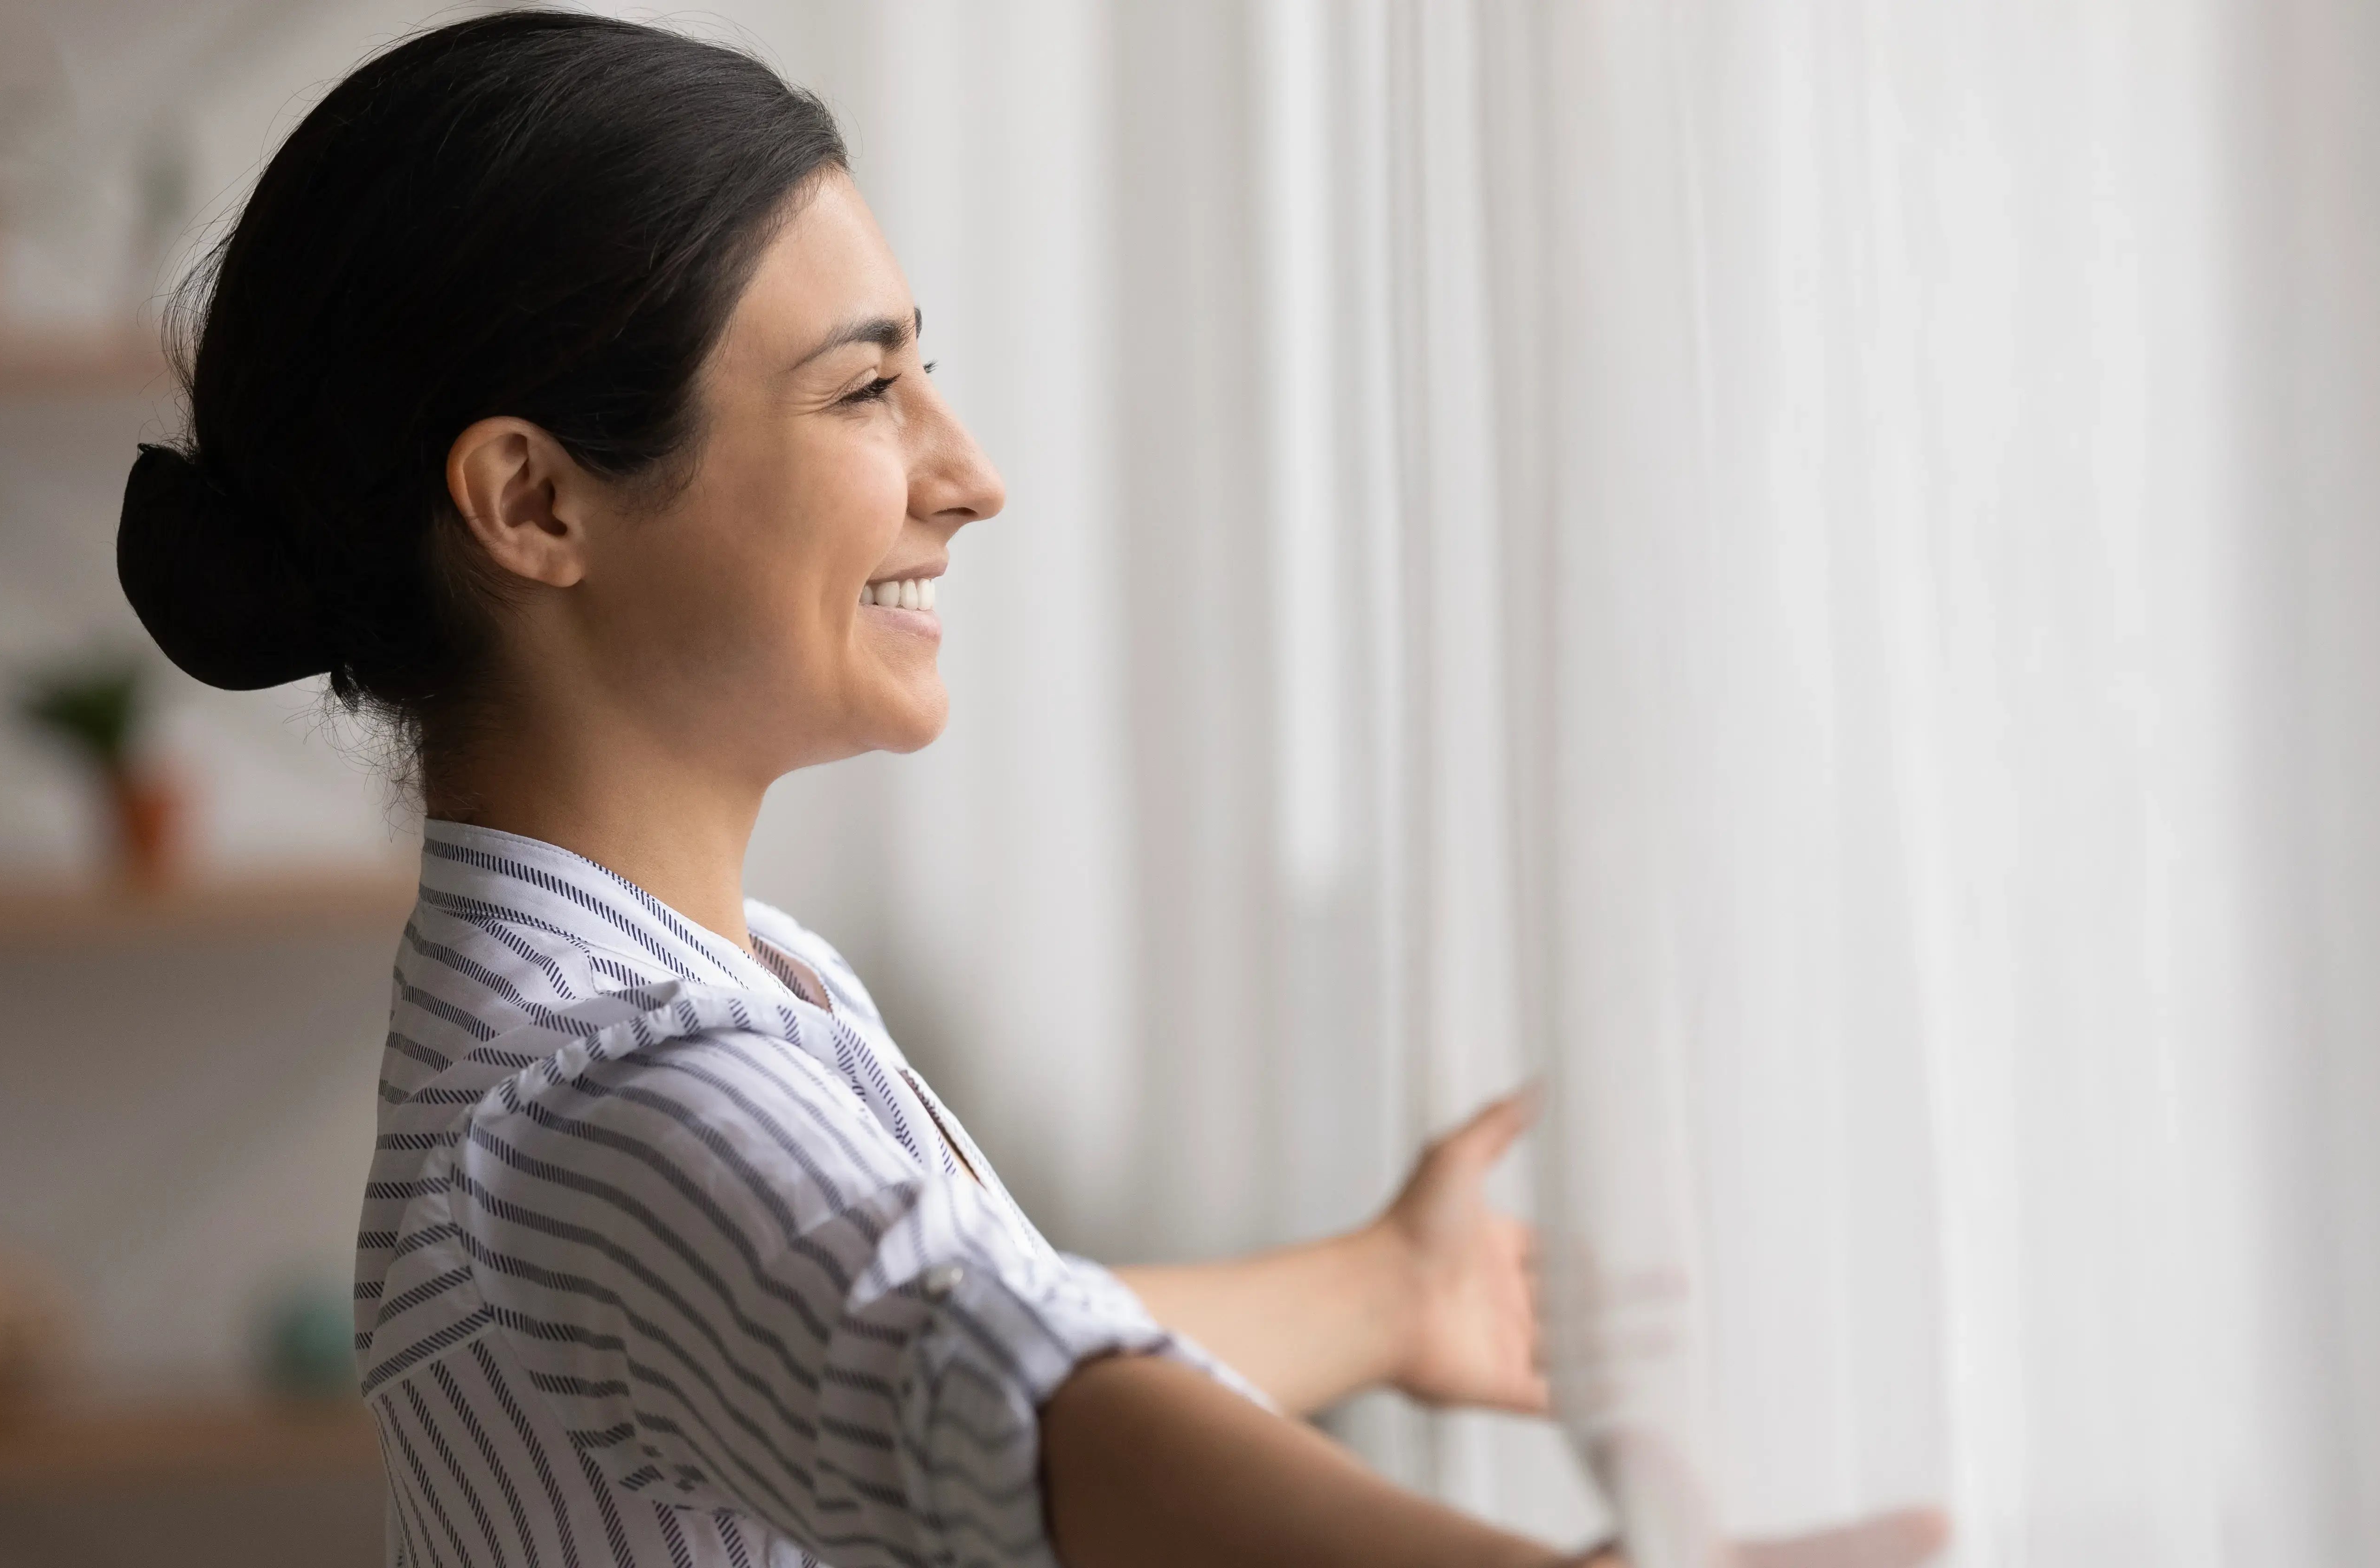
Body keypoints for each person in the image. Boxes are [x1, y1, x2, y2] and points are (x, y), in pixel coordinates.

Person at [117, 14, 1943, 1567]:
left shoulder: (683, 1010)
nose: (968, 476)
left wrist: (1385, 1292)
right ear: (535, 504)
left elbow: (909, 1310)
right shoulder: (616, 1103)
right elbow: (990, 1392)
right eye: (865, 394)